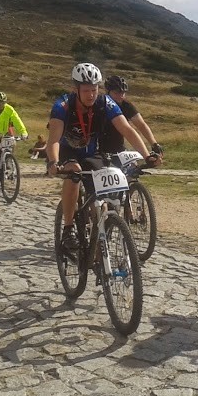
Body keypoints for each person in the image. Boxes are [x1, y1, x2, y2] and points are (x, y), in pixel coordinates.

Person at [46, 63, 160, 258]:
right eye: (86, 90)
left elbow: (127, 130)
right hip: (67, 151)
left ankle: (99, 238)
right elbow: (54, 140)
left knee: (101, 196)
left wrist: (146, 154)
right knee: (74, 173)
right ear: (75, 89)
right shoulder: (62, 105)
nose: (91, 95)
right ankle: (68, 228)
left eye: (94, 89)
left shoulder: (105, 102)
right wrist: (53, 162)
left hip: (91, 152)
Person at [99, 75, 163, 158]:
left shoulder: (126, 105)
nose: (121, 96)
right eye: (116, 93)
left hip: (118, 148)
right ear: (107, 91)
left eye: (123, 93)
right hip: (98, 149)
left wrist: (154, 144)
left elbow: (141, 125)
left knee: (135, 165)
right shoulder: (100, 104)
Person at [0, 91, 28, 192]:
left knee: (11, 143)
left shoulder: (9, 109)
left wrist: (23, 132)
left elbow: (17, 121)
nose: (1, 105)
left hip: (4, 133)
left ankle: (8, 160)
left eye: (3, 103)